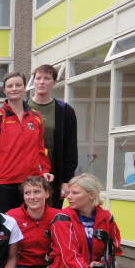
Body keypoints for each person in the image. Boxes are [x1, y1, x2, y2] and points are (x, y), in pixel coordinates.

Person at [0, 71, 53, 213]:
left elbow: (41, 149)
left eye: (18, 85)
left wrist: (44, 170)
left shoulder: (35, 117)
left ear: (25, 87)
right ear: (4, 90)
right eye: (10, 86)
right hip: (4, 182)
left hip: (30, 182)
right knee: (6, 223)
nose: (14, 89)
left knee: (31, 221)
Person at [29, 64, 78, 208]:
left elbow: (70, 148)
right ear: (33, 81)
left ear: (54, 82)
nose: (42, 82)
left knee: (52, 214)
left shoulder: (65, 111)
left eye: (47, 78)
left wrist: (66, 180)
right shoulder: (23, 108)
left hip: (54, 175)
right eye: (38, 78)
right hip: (27, 174)